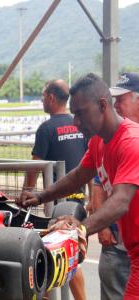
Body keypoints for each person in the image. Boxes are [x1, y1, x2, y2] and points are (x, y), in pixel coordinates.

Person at [17, 73, 139, 299]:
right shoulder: (98, 141)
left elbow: (121, 201)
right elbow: (78, 176)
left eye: (81, 114)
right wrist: (40, 197)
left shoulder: (131, 142)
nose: (76, 122)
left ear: (103, 105)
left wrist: (80, 229)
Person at [24, 79, 87, 300]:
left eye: (42, 96)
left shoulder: (46, 129)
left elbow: (34, 166)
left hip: (56, 202)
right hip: (79, 201)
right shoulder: (79, 124)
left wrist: (27, 193)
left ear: (51, 97)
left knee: (56, 254)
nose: (42, 100)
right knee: (70, 254)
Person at [89, 73, 139, 300]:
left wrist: (82, 229)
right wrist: (102, 226)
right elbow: (97, 178)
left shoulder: (131, 140)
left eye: (121, 99)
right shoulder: (108, 136)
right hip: (117, 240)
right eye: (114, 99)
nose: (116, 105)